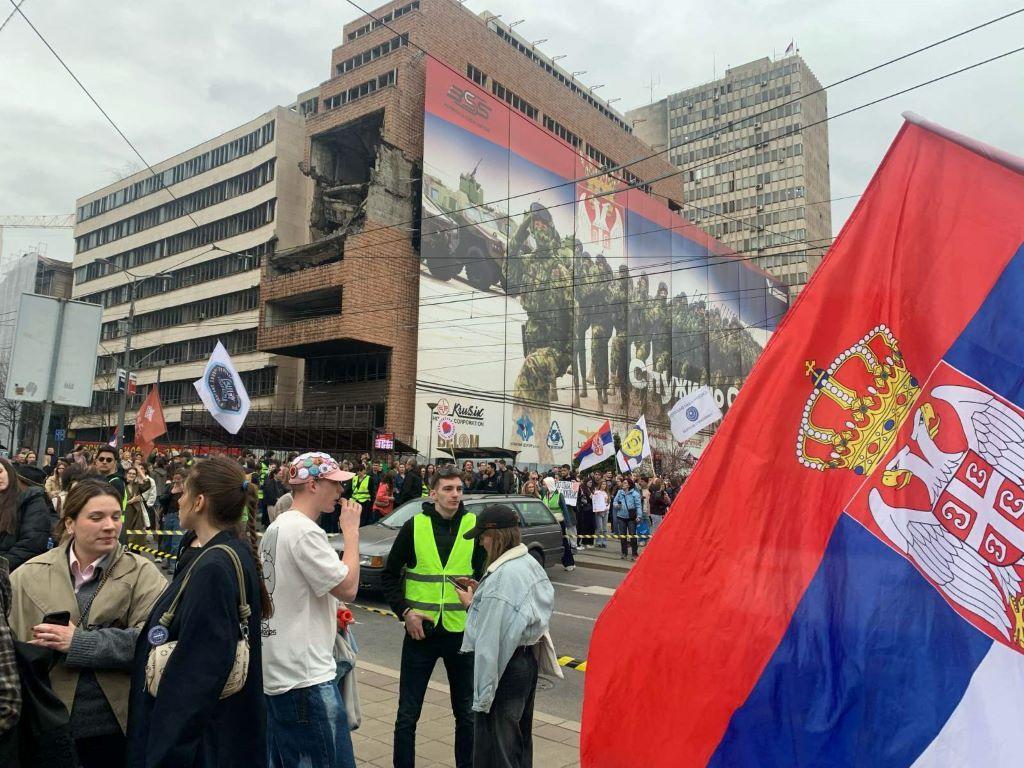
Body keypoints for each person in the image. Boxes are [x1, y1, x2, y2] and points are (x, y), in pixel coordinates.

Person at [9, 479, 166, 767]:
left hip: (112, 729)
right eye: (96, 517)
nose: (110, 525)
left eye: (116, 516)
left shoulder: (143, 574)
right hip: (41, 725)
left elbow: (155, 640)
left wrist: (80, 642)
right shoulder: (26, 576)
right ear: (70, 523)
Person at [126, 456, 271, 768]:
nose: (178, 498)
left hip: (203, 748)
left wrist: (163, 756)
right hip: (221, 738)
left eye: (184, 491)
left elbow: (196, 679)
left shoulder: (215, 567)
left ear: (200, 502)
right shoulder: (228, 549)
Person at [260, 453, 362, 768]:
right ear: (313, 484)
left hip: (280, 669)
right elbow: (348, 587)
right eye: (335, 483)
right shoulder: (304, 531)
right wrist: (351, 533)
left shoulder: (277, 526)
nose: (340, 492)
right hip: (306, 678)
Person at [381, 464, 486, 768]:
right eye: (448, 489)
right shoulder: (415, 526)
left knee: (466, 713)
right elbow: (389, 576)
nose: (455, 495)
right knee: (407, 715)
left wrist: (476, 595)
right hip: (420, 632)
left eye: (459, 489)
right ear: (433, 493)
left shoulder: (473, 525)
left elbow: (484, 576)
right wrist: (405, 612)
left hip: (460, 633)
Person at [456, 505, 555, 768]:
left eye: (483, 536)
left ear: (497, 537)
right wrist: (482, 599)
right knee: (519, 745)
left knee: (498, 751)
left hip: (506, 668)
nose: (480, 541)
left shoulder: (502, 577)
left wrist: (483, 698)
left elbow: (491, 643)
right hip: (525, 662)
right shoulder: (528, 564)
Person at [0, 458, 56, 571]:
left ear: (10, 472)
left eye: (0, 471)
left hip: (14, 574)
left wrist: (2, 567)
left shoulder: (32, 499)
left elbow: (32, 543)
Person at [541, 477, 574, 572]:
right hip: (547, 522)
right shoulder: (545, 494)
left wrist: (568, 525)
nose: (543, 486)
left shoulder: (559, 495)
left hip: (559, 523)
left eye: (545, 484)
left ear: (549, 485)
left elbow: (565, 510)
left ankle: (569, 563)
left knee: (563, 543)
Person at [612, 477, 641, 561]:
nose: (623, 484)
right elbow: (614, 501)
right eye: (623, 483)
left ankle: (634, 554)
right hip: (621, 516)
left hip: (631, 518)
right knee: (623, 536)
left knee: (632, 535)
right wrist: (617, 505)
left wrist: (639, 516)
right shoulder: (619, 492)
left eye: (625, 483)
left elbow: (638, 506)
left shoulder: (635, 494)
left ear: (629, 485)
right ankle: (624, 553)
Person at [123, 467, 150, 548]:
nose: (131, 475)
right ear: (126, 474)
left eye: (134, 474)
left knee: (137, 542)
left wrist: (140, 472)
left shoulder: (137, 486)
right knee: (125, 541)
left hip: (136, 516)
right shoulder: (121, 485)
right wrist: (131, 501)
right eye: (130, 473)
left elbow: (148, 484)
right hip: (125, 515)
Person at [350, 463, 376, 527]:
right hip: (355, 501)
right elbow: (351, 489)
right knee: (355, 518)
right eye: (358, 471)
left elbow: (372, 491)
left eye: (360, 470)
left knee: (363, 518)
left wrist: (371, 501)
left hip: (365, 502)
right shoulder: (354, 478)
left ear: (364, 470)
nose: (359, 472)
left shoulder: (369, 479)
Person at [591, 481, 609, 548]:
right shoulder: (597, 492)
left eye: (605, 484)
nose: (604, 485)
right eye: (603, 484)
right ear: (600, 485)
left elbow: (609, 501)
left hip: (606, 511)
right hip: (599, 512)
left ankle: (604, 542)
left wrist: (607, 507)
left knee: (605, 528)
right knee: (600, 528)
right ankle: (598, 541)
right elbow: (594, 501)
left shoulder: (607, 493)